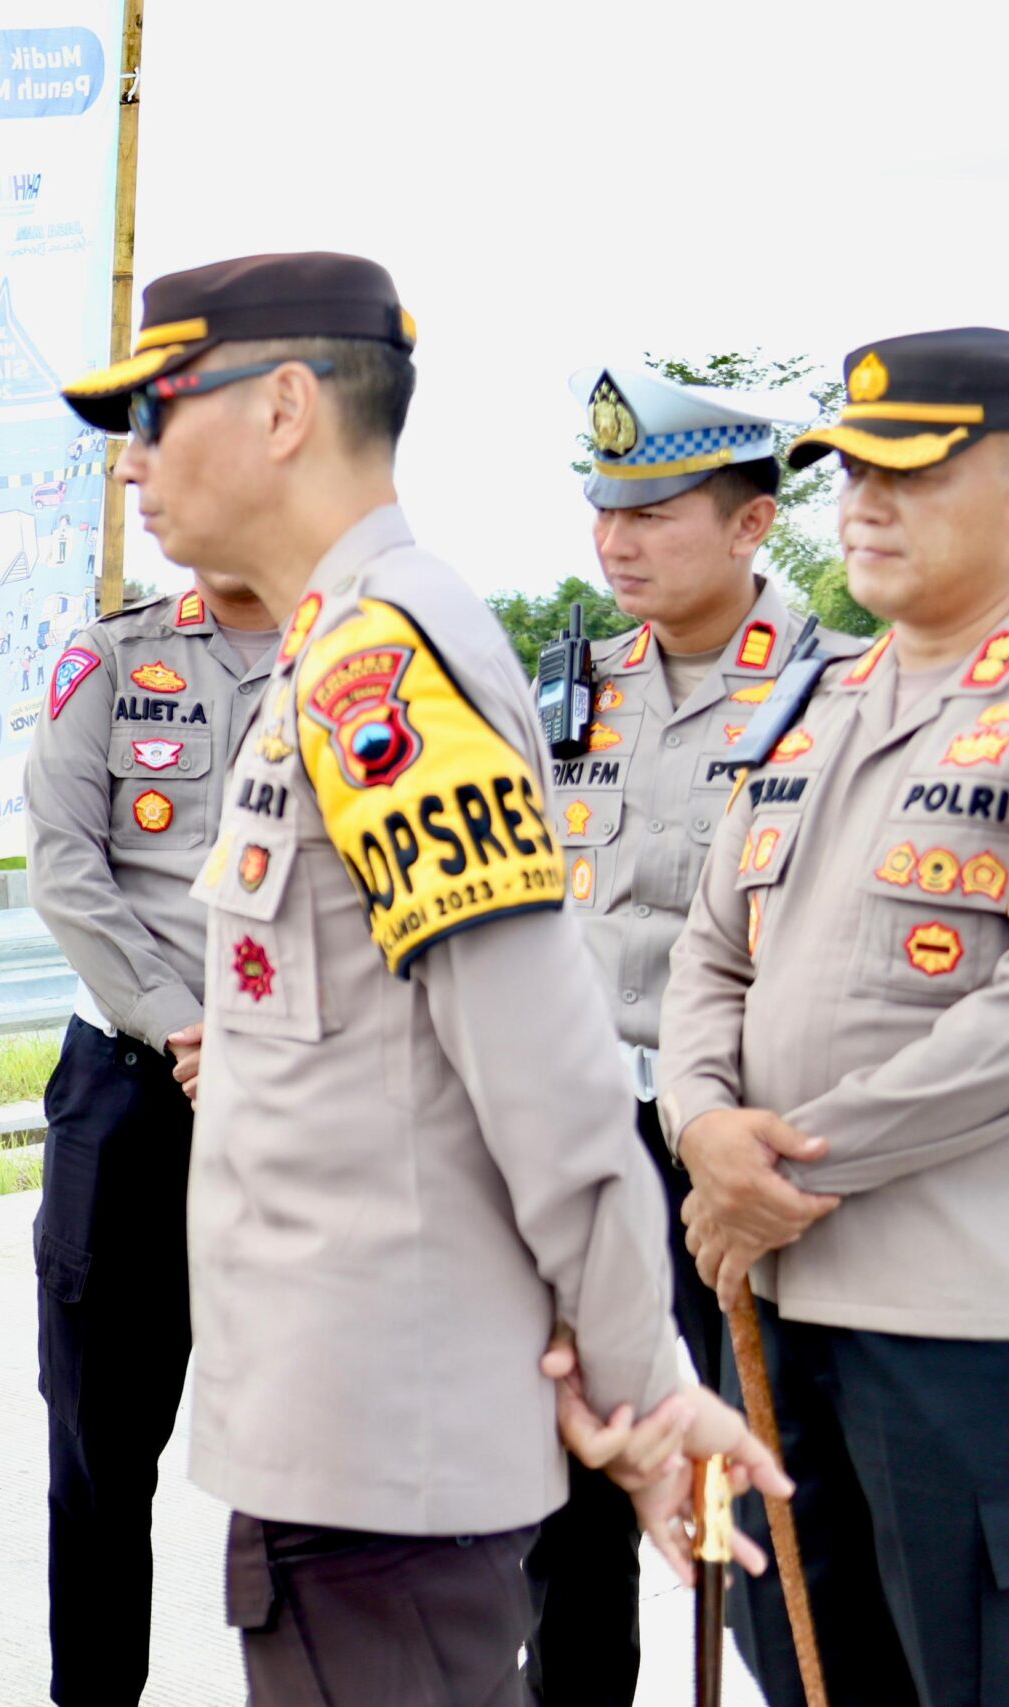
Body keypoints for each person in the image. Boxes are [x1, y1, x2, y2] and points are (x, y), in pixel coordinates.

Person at [58, 253, 786, 1704]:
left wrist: (642, 1387)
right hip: (342, 1432)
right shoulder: (339, 644)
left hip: (385, 1453)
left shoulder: (386, 660)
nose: (133, 462)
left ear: (280, 409)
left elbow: (545, 1059)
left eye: (155, 410)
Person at [660, 327, 1009, 1706]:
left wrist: (787, 1163)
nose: (863, 500)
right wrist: (698, 1122)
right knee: (810, 1666)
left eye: (911, 468)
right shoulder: (822, 697)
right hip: (776, 1302)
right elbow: (707, 947)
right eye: (850, 467)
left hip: (956, 1329)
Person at [521, 362, 858, 1705]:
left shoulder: (836, 699)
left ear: (752, 522)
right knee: (576, 1497)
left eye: (656, 510)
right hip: (585, 1148)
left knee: (756, 1511)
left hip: (733, 1158)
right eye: (607, 509)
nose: (619, 539)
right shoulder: (572, 691)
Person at [22, 487, 283, 1695]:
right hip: (127, 1096)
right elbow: (65, 866)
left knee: (304, 1451)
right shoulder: (114, 657)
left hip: (302, 1103)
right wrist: (185, 1025)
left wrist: (264, 1036)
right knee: (95, 1453)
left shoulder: (375, 664)